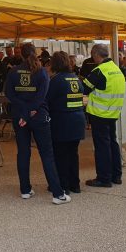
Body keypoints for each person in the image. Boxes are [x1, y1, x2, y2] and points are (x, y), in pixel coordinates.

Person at [6, 43, 70, 204]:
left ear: (20, 55)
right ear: (35, 53)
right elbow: (42, 97)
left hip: (20, 117)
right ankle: (57, 194)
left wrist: (24, 113)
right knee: (47, 154)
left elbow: (9, 95)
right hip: (38, 116)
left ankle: (25, 190)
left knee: (23, 152)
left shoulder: (13, 71)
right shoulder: (42, 72)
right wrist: (30, 112)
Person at [82, 44, 125, 186]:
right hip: (113, 112)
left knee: (102, 146)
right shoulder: (116, 69)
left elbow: (84, 88)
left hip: (99, 113)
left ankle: (104, 178)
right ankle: (116, 175)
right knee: (112, 143)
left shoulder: (99, 70)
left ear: (95, 55)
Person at [46, 51, 86, 194]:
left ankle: (63, 186)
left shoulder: (56, 80)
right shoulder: (76, 79)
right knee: (73, 154)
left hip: (62, 122)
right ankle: (75, 184)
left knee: (60, 155)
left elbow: (47, 100)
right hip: (77, 120)